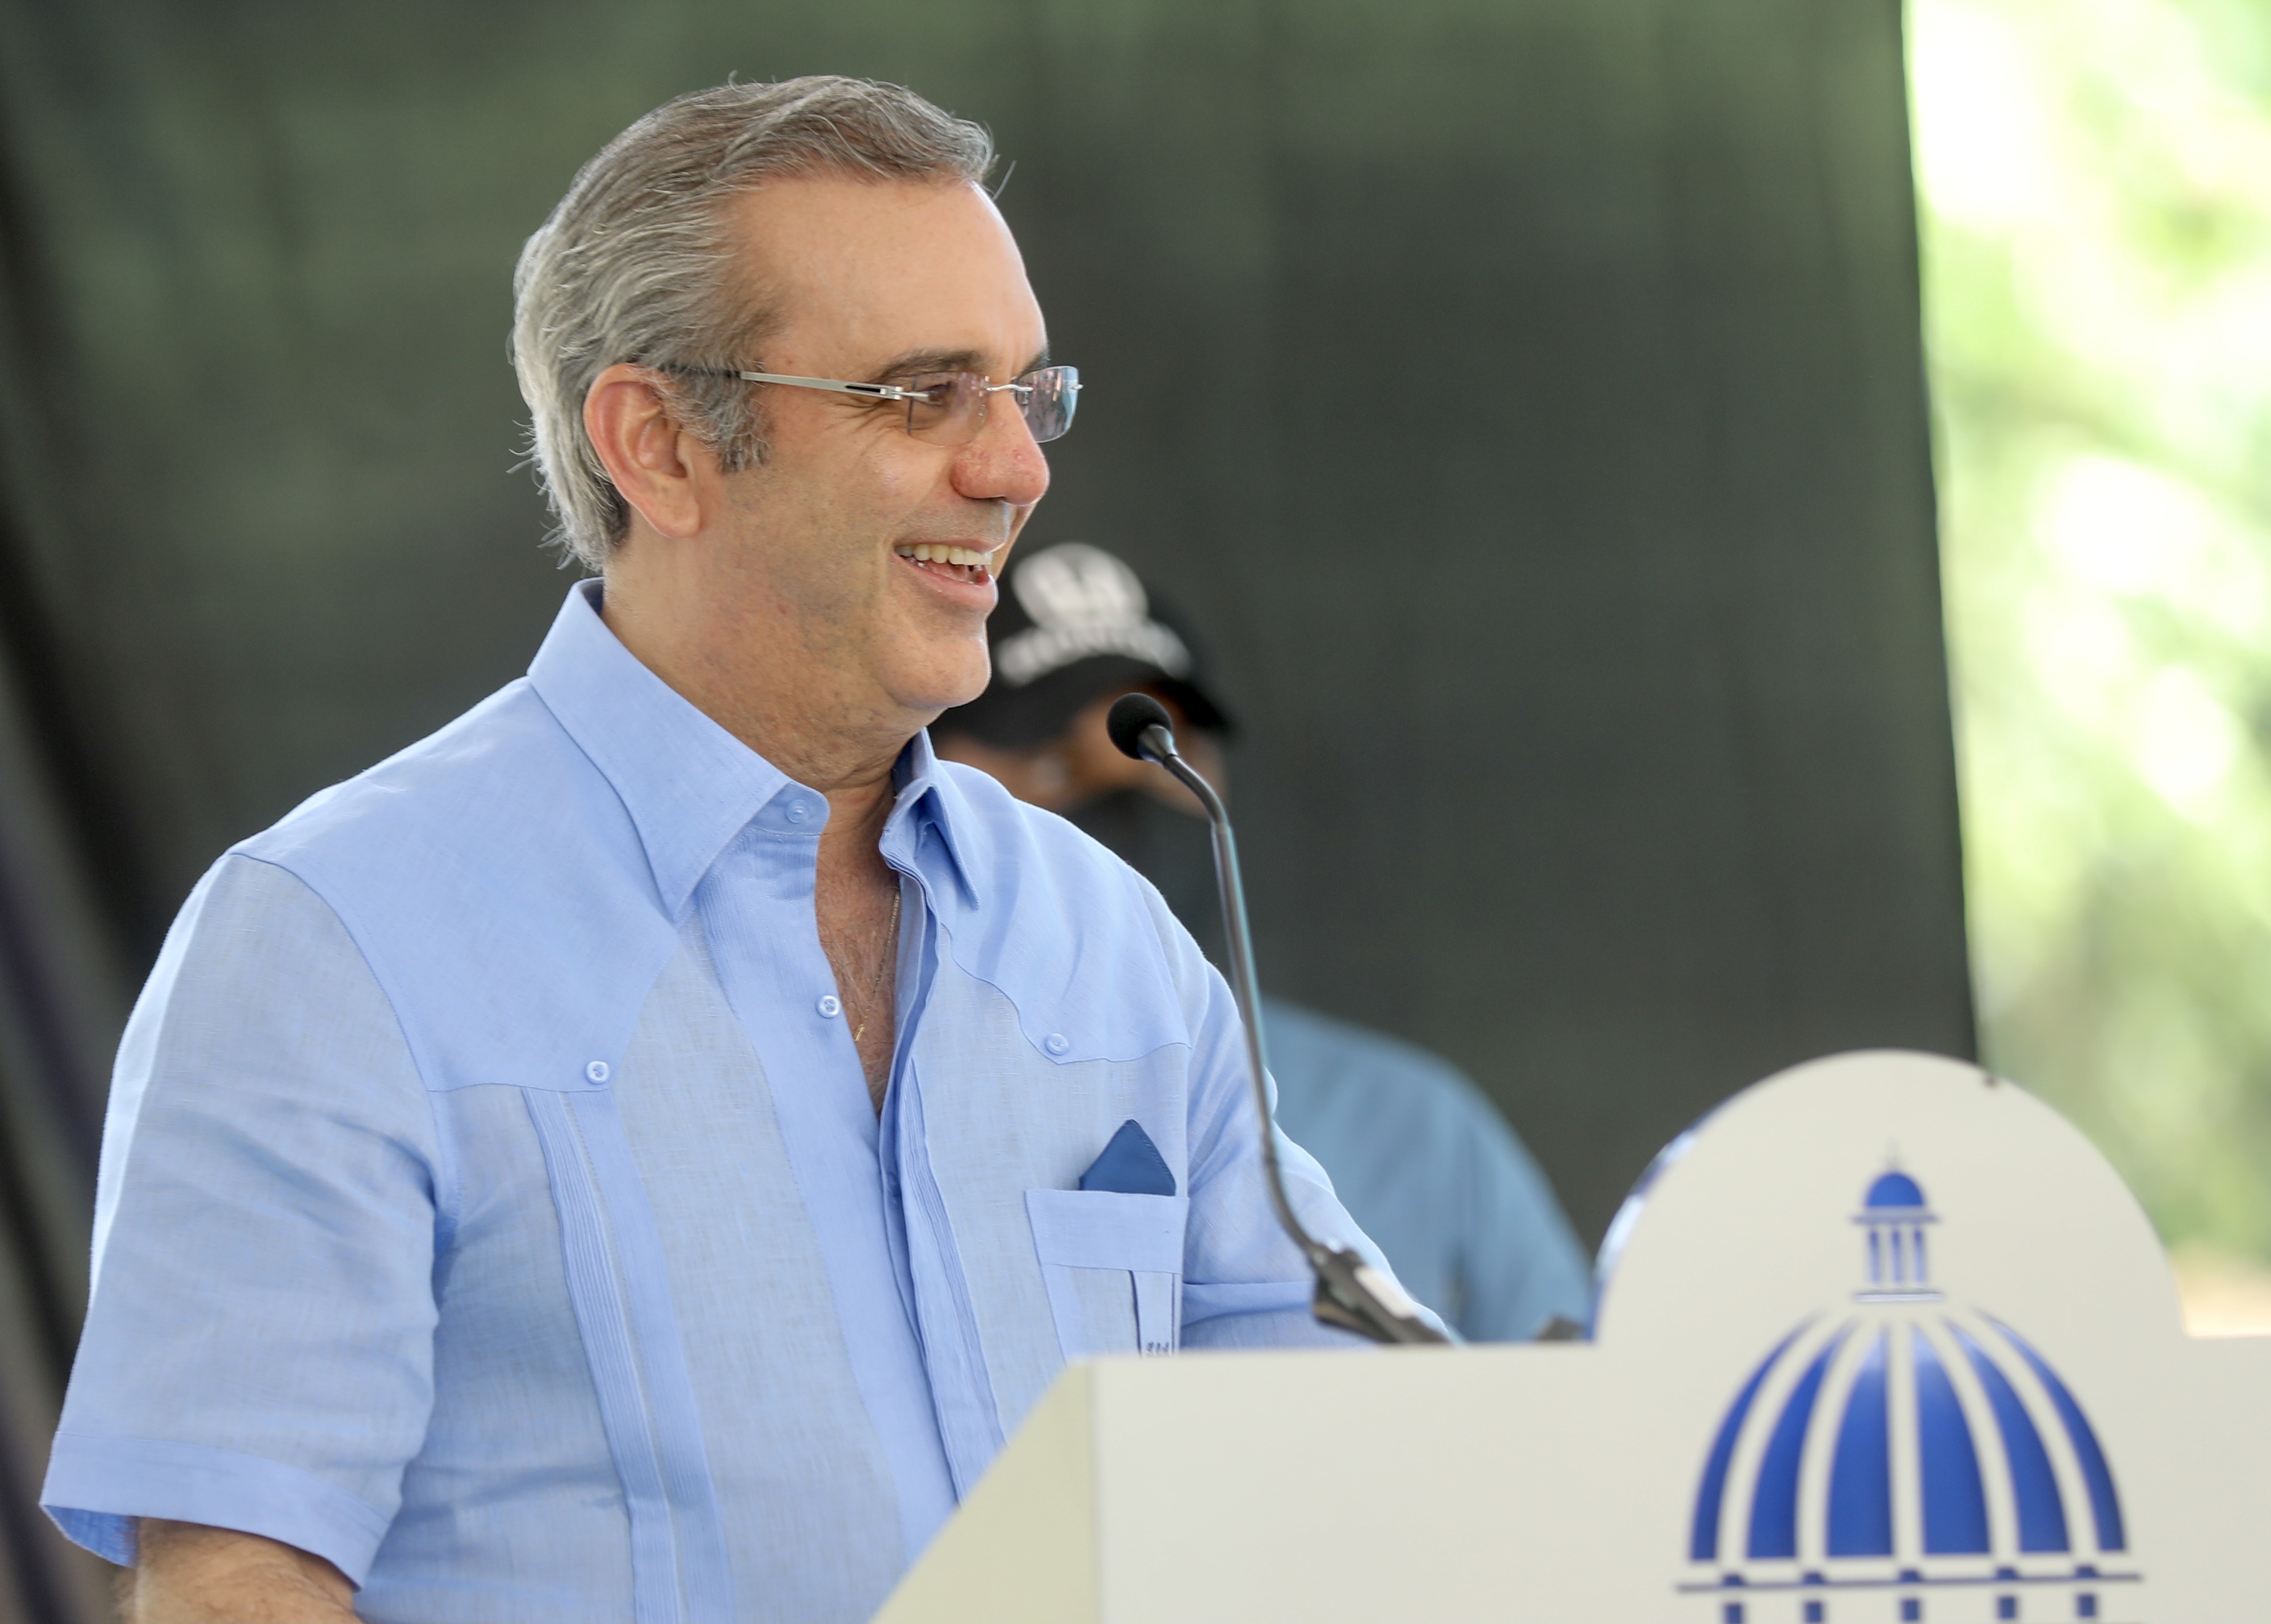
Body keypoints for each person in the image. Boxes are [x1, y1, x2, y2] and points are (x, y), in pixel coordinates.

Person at [42, 79, 1420, 1624]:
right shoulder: (330, 938)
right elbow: (234, 1584)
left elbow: (1358, 1460)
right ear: (659, 444)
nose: (1016, 468)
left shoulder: (1107, 939)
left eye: (1028, 393)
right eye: (924, 396)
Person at [934, 541, 1592, 1342]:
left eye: (1162, 753)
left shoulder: (1412, 1124)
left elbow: (1577, 1404)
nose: (1128, 794)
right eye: (1050, 762)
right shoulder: (892, 1085)